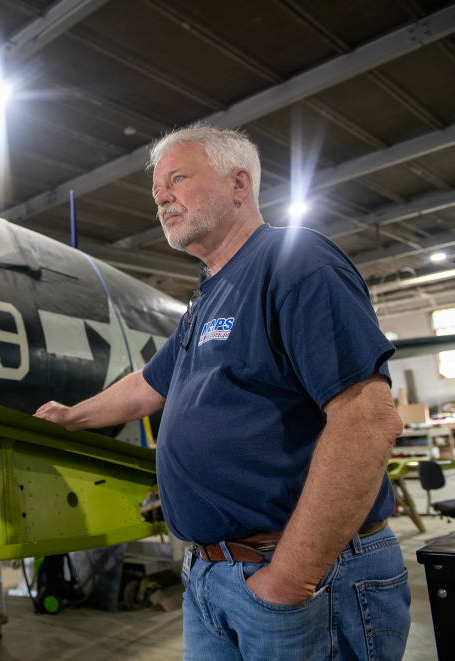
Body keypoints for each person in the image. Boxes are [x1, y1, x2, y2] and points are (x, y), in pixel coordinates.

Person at [35, 124, 410, 660]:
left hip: (298, 579)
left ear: (240, 185)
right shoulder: (209, 298)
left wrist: (289, 580)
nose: (161, 195)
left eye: (178, 178)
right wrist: (71, 417)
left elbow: (367, 421)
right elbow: (147, 386)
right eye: (157, 188)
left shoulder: (295, 261)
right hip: (216, 579)